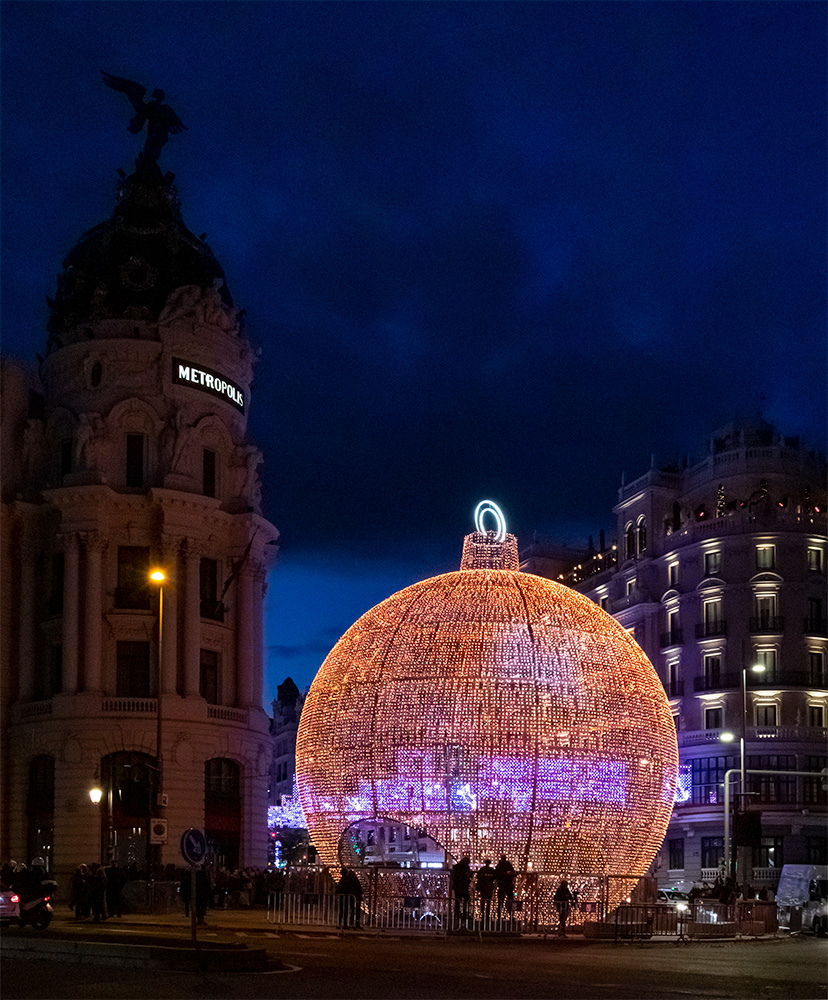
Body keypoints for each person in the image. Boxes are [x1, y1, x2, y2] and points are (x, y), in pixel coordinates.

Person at [451, 856, 473, 924]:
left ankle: (458, 913)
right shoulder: (463, 868)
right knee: (464, 900)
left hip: (460, 886)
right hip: (462, 886)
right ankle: (463, 913)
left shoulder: (457, 867)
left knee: (459, 900)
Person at [475, 859, 496, 925]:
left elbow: (478, 877)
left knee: (485, 901)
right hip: (486, 887)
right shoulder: (489, 870)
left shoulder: (483, 870)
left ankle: (484, 914)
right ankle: (485, 914)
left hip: (485, 887)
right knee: (486, 901)